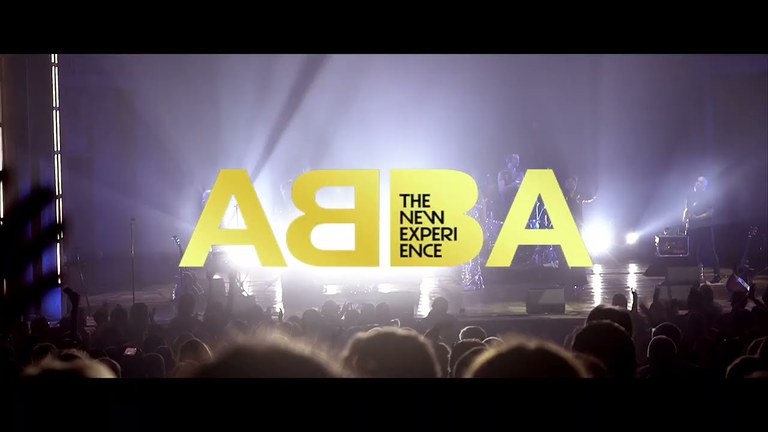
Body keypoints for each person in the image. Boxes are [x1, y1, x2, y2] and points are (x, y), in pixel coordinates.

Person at [683, 176, 721, 283]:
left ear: (704, 186)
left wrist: (697, 218)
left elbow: (710, 213)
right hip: (693, 228)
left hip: (705, 227)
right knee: (693, 252)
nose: (698, 183)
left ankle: (717, 275)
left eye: (701, 182)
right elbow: (687, 208)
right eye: (697, 181)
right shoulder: (690, 195)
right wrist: (686, 219)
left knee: (710, 250)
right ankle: (694, 275)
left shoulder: (708, 196)